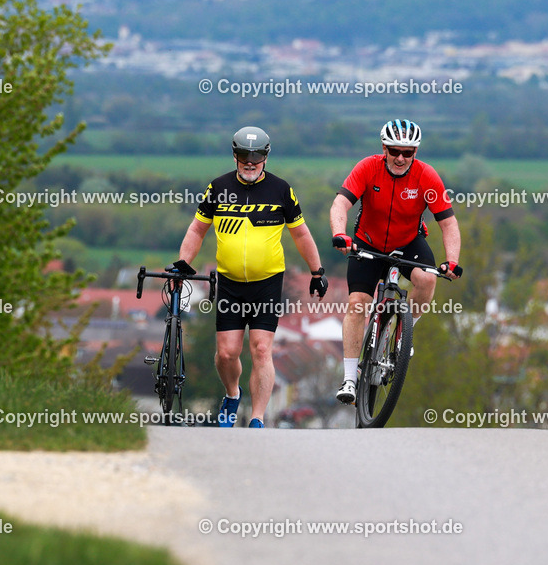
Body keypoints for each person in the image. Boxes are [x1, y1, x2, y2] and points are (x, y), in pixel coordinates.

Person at [172, 126, 327, 428]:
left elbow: (301, 233)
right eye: (244, 156)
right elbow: (196, 230)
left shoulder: (281, 190)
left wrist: (317, 271)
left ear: (266, 157)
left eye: (257, 157)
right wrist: (182, 263)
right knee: (226, 354)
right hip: (229, 283)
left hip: (267, 283)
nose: (250, 163)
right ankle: (232, 395)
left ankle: (257, 417)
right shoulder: (217, 188)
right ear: (235, 155)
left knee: (261, 348)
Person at [328, 118, 462, 404]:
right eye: (394, 151)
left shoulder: (426, 176)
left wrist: (451, 262)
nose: (401, 158)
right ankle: (350, 378)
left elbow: (448, 224)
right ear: (384, 148)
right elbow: (341, 203)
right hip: (368, 242)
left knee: (426, 278)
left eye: (408, 153)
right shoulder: (367, 168)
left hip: (408, 242)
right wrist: (340, 234)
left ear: (415, 153)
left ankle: (405, 332)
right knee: (358, 303)